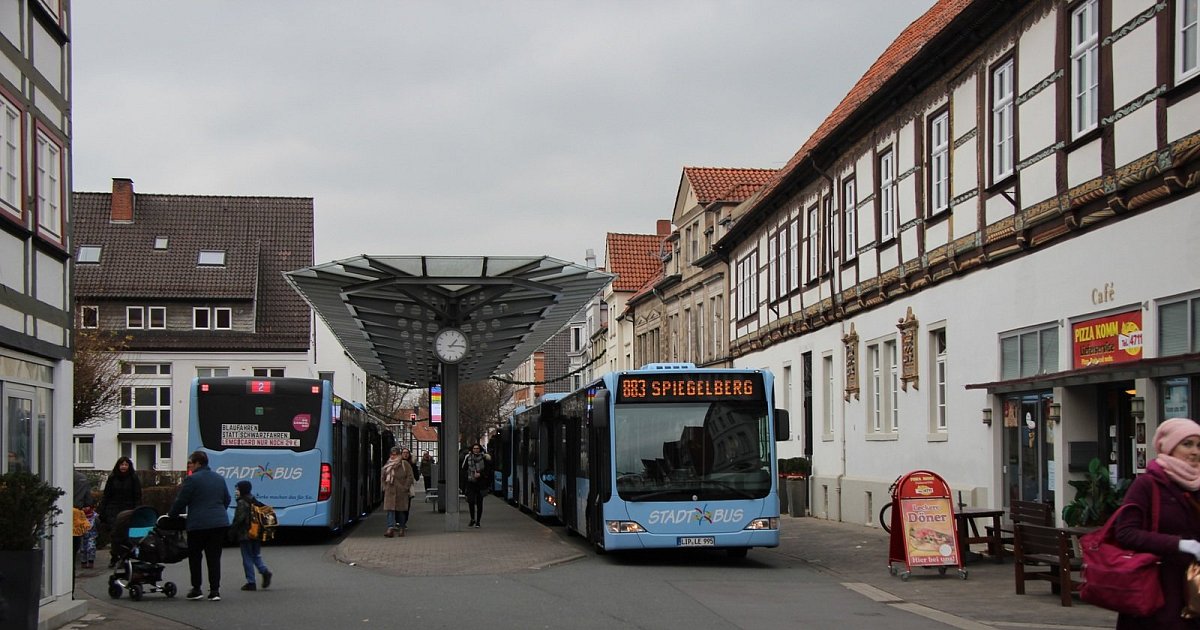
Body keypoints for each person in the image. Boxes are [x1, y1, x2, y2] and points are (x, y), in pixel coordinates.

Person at [1114, 417, 1200, 629]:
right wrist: (1180, 544)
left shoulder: (1197, 486)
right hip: (1156, 594)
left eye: (1199, 445)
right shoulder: (1147, 484)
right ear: (1169, 447)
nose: (1195, 452)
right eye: (1187, 444)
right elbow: (1125, 532)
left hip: (1195, 592)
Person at [169, 450, 231, 601]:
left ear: (198, 463)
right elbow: (227, 499)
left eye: (191, 463)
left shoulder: (192, 479)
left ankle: (197, 589)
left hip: (198, 524)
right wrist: (218, 511)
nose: (189, 466)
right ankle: (215, 591)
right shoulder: (219, 478)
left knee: (195, 557)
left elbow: (182, 500)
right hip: (219, 523)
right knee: (214, 557)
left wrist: (172, 515)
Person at [98, 456, 142, 568]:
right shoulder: (112, 478)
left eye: (126, 465)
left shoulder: (133, 478)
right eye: (122, 464)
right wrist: (102, 510)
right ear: (118, 466)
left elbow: (137, 496)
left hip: (128, 509)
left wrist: (137, 510)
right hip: (113, 509)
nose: (123, 467)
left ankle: (124, 557)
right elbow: (106, 495)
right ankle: (114, 556)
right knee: (115, 534)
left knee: (125, 535)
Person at [229, 480, 273, 591]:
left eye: (237, 489)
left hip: (245, 534)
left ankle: (251, 582)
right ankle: (264, 571)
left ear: (242, 490)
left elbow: (239, 519)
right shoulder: (253, 500)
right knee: (256, 555)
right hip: (256, 532)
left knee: (247, 557)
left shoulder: (242, 502)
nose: (236, 491)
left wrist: (231, 532)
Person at [381, 446, 415, 537]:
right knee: (390, 511)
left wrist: (405, 487)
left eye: (395, 455)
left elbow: (410, 476)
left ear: (399, 455)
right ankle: (390, 528)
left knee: (401, 511)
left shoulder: (404, 464)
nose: (393, 456)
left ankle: (401, 528)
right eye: (391, 454)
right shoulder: (388, 464)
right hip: (390, 492)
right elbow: (383, 477)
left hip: (401, 492)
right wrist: (384, 487)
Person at [460, 443, 491, 528]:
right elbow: (464, 469)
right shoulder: (468, 458)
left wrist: (481, 474)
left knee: (479, 502)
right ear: (472, 449)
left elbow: (488, 470)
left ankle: (478, 521)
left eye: (477, 448)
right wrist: (466, 479)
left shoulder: (484, 458)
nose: (476, 450)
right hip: (471, 482)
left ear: (480, 449)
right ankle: (472, 518)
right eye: (474, 448)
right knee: (471, 501)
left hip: (480, 484)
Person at [73, 470, 95, 567]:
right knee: (76, 539)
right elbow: (88, 497)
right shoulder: (82, 477)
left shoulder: (60, 475)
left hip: (64, 511)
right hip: (77, 511)